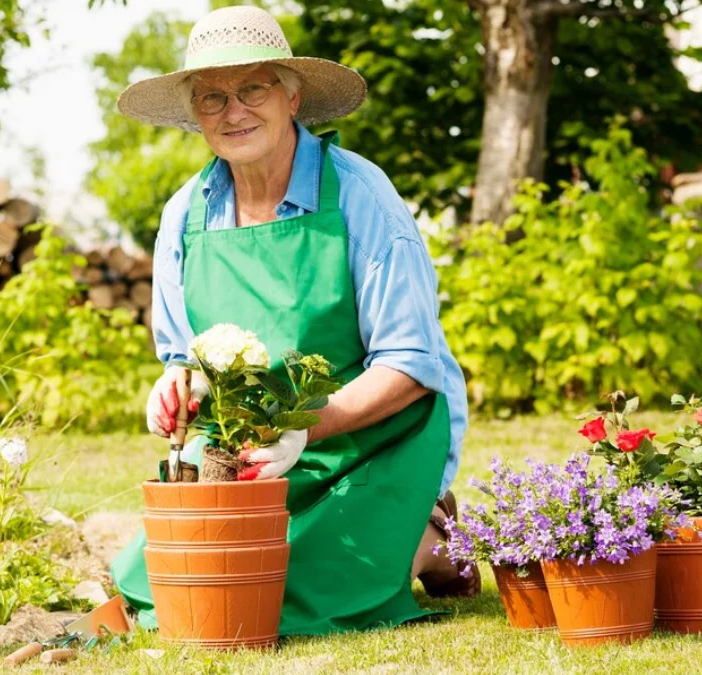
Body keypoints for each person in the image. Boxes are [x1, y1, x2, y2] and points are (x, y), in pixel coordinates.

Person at [109, 5, 477, 637]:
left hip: (371, 435)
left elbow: (412, 365)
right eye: (212, 97)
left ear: (291, 95)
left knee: (299, 593)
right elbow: (184, 355)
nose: (233, 111)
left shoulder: (361, 196)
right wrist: (175, 385)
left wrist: (309, 427)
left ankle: (435, 534)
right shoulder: (185, 215)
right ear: (195, 113)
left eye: (252, 88)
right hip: (248, 450)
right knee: (167, 585)